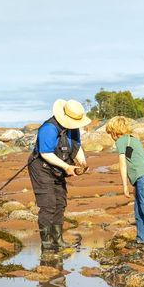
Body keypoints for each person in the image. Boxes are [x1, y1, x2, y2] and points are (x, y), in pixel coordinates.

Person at [30, 97, 89, 255]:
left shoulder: (73, 128)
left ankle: (58, 239)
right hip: (42, 168)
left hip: (58, 169)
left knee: (60, 203)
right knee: (48, 205)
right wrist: (66, 166)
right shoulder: (49, 128)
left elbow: (77, 146)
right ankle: (47, 243)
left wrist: (82, 163)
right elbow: (45, 153)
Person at [105, 116, 144, 246]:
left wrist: (125, 185)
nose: (111, 137)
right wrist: (135, 182)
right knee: (138, 209)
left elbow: (123, 163)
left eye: (110, 134)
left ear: (115, 131)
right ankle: (141, 239)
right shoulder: (133, 140)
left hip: (143, 176)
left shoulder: (121, 141)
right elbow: (135, 160)